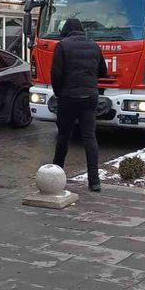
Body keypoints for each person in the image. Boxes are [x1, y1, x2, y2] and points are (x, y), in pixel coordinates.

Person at [51, 18, 108, 191]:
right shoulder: (94, 45)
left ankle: (56, 176)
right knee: (89, 137)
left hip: (68, 97)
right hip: (90, 96)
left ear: (66, 31)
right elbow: (103, 71)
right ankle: (94, 181)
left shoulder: (62, 46)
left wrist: (59, 93)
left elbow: (56, 74)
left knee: (63, 136)